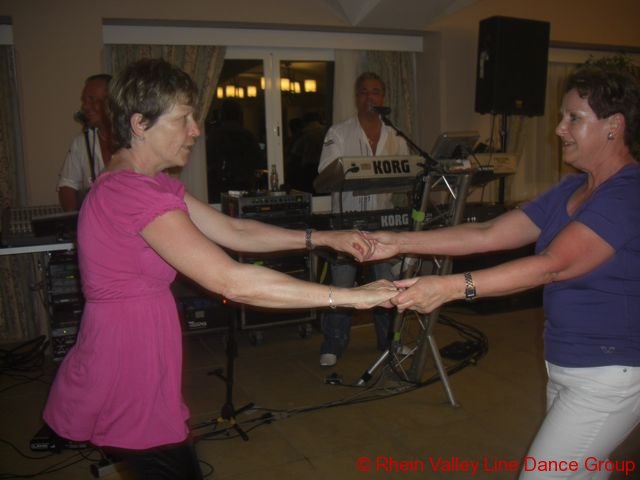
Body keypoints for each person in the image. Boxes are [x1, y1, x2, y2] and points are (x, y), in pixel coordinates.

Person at [42, 58, 397, 480]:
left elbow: (234, 230)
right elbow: (231, 281)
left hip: (139, 342)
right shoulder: (129, 192)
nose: (196, 130)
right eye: (184, 118)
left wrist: (323, 238)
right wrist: (353, 297)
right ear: (139, 123)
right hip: (128, 356)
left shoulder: (150, 183)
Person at [365, 66, 640, 479]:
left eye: (574, 118)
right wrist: (399, 242)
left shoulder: (629, 192)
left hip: (610, 373)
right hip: (569, 362)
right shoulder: (574, 189)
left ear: (614, 126)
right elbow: (488, 233)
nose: (559, 129)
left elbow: (553, 266)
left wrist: (449, 287)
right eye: (562, 117)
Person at [317, 72, 410, 367]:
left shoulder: (395, 136)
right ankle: (333, 344)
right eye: (364, 92)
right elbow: (325, 172)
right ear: (357, 97)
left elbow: (407, 173)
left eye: (376, 92)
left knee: (386, 285)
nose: (370, 97)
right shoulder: (339, 132)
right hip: (348, 223)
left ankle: (390, 343)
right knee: (343, 286)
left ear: (383, 97)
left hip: (383, 223)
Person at [57, 74, 112, 211]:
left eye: (92, 100)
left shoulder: (133, 140)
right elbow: (67, 185)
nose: (85, 107)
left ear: (112, 103)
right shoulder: (81, 142)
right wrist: (74, 220)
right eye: (84, 101)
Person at [206, 98, 266, 202]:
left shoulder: (215, 136)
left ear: (221, 115)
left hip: (220, 189)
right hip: (244, 188)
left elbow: (208, 161)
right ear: (239, 116)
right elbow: (259, 162)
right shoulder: (247, 136)